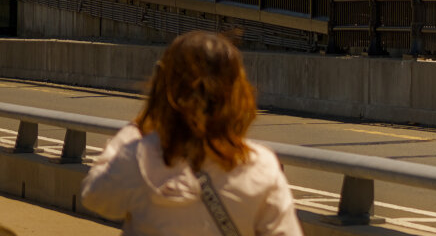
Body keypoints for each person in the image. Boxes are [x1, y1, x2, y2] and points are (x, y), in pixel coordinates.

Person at [81, 30, 301, 235]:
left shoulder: (139, 158)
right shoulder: (262, 166)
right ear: (237, 92)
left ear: (164, 88)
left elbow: (94, 197)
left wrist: (139, 125)